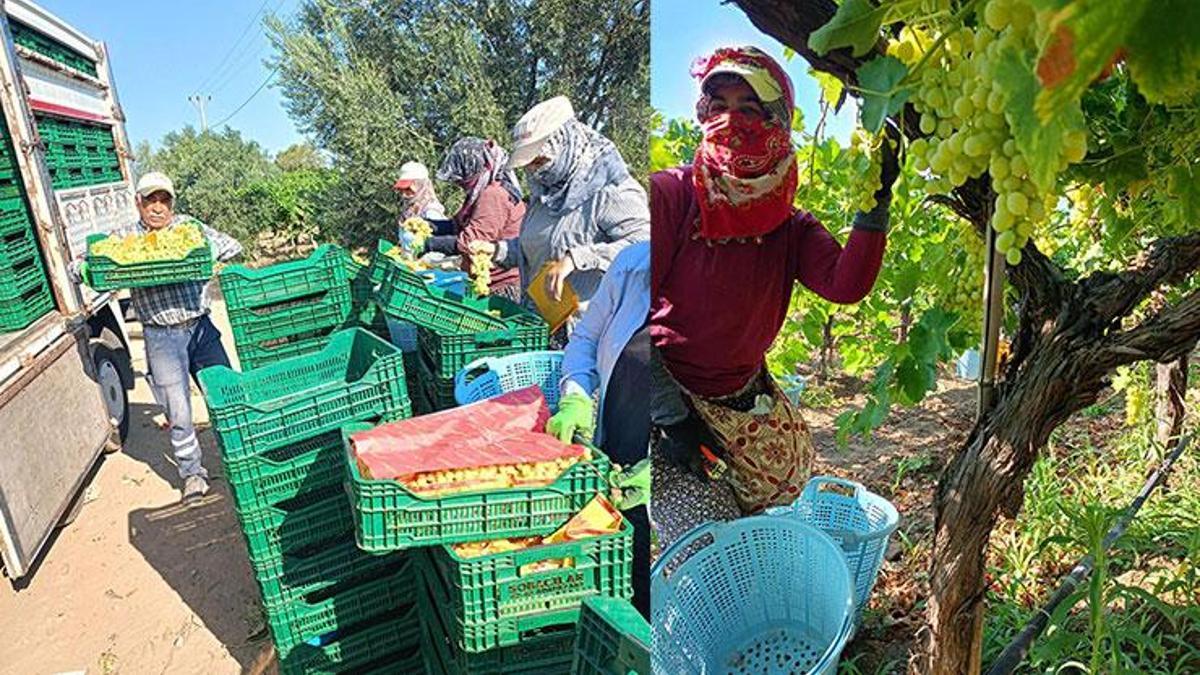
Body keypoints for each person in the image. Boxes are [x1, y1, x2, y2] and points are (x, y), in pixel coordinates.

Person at [649, 47, 900, 548]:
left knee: (783, 508)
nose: (730, 121)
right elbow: (632, 321)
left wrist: (876, 202)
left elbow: (845, 285)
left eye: (749, 107)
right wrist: (670, 418)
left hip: (745, 394)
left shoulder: (789, 224)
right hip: (669, 399)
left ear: (777, 122)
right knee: (707, 541)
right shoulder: (672, 196)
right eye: (718, 105)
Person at [72, 172, 243, 503]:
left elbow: (232, 245)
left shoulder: (188, 228)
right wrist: (87, 270)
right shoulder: (125, 238)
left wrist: (206, 253)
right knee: (177, 411)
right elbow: (80, 265)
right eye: (151, 200)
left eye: (164, 200)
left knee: (226, 397)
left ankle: (240, 460)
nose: (158, 208)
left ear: (172, 203)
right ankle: (193, 474)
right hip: (161, 336)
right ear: (138, 202)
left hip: (201, 329)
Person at [473, 96, 649, 345]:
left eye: (540, 161)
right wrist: (497, 250)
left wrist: (577, 258)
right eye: (529, 164)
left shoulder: (610, 190)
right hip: (542, 322)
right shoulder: (545, 194)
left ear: (565, 144)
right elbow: (539, 248)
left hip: (591, 332)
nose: (534, 171)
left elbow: (644, 247)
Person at [544, 241, 651, 618]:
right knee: (623, 590)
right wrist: (575, 395)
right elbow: (585, 340)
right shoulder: (632, 268)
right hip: (616, 465)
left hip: (670, 486)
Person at [422, 137, 525, 301]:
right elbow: (457, 225)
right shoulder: (478, 194)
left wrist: (428, 244)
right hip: (483, 283)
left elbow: (472, 242)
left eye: (462, 177)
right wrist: (428, 227)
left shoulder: (493, 195)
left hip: (501, 287)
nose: (460, 183)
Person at [393, 160, 448, 232]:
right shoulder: (409, 210)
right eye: (402, 190)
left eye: (408, 189)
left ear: (421, 186)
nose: (404, 194)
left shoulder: (431, 212)